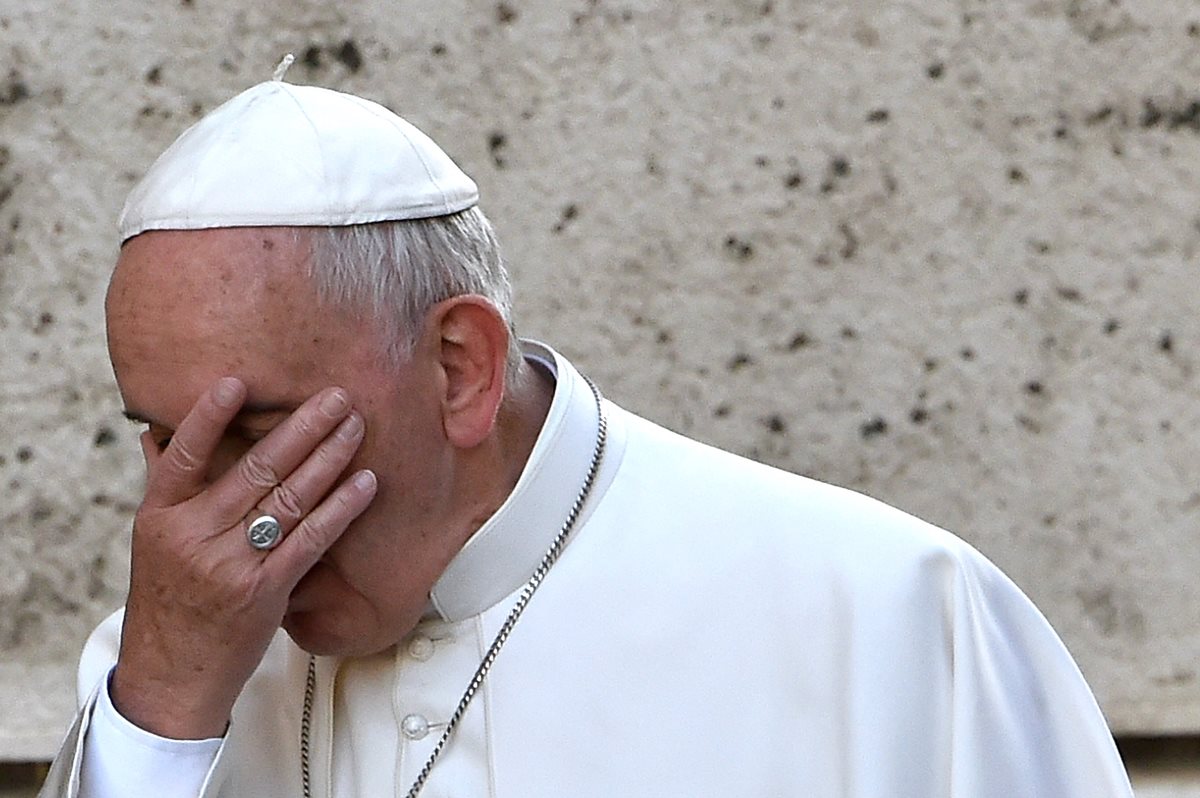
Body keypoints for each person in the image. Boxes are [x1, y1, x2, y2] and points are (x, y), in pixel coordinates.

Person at [39, 62, 1135, 798]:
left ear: (458, 366)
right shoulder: (160, 678)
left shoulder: (894, 619)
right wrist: (164, 713)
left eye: (258, 432)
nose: (203, 526)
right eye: (163, 437)